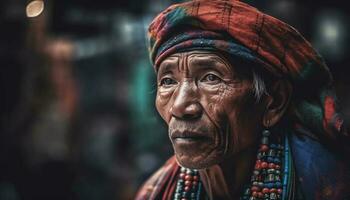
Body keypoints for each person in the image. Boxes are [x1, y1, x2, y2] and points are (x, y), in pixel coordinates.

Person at [135, 0, 350, 199]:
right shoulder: (156, 191)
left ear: (274, 102)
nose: (179, 106)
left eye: (211, 78)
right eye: (168, 81)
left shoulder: (328, 183)